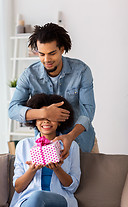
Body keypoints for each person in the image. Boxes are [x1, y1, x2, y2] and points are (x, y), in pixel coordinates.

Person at [8, 22, 98, 159]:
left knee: (93, 181)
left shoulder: (81, 71)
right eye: (41, 54)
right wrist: (44, 112)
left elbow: (88, 110)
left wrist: (70, 137)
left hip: (82, 143)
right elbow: (13, 109)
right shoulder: (29, 75)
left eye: (52, 53)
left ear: (62, 49)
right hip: (46, 148)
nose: (46, 59)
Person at [7, 93, 81, 207]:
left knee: (38, 196)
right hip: (28, 204)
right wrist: (32, 170)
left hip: (59, 203)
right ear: (34, 121)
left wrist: (57, 169)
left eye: (52, 118)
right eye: (41, 118)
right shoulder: (24, 146)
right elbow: (18, 187)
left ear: (60, 122)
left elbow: (72, 187)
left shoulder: (70, 147)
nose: (46, 122)